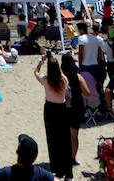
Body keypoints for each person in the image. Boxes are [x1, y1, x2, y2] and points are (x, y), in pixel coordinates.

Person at [36, 51, 73, 181]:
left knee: (53, 139)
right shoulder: (64, 80)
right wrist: (54, 62)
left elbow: (36, 73)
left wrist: (41, 61)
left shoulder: (46, 80)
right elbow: (60, 74)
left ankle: (57, 169)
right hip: (62, 109)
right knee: (65, 140)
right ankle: (67, 172)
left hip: (51, 108)